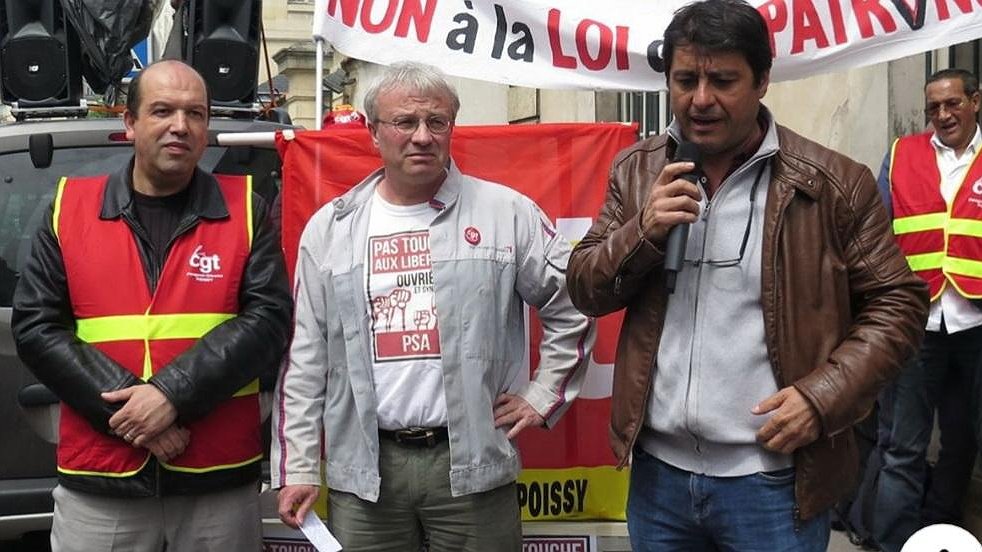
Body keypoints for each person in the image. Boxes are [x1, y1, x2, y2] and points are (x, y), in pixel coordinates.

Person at [565, 0, 929, 550]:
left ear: (762, 80)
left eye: (723, 80)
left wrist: (821, 396)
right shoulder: (638, 171)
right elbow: (586, 286)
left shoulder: (831, 183)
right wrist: (644, 230)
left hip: (774, 484)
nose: (701, 99)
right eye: (685, 79)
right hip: (658, 481)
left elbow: (898, 304)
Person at [271, 62, 594, 551]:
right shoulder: (331, 229)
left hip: (471, 467)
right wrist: (297, 465)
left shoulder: (505, 213)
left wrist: (542, 393)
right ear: (373, 132)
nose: (422, 136)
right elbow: (304, 358)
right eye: (405, 122)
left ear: (451, 129)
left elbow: (574, 299)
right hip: (365, 472)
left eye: (436, 122)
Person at [12, 60, 292, 551]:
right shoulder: (68, 206)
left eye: (195, 114)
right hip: (102, 480)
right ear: (130, 122)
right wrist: (138, 416)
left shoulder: (247, 208)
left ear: (207, 128)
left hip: (216, 480)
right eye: (162, 110)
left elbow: (269, 321)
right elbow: (36, 325)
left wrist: (170, 396)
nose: (180, 126)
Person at [871, 68, 982, 552]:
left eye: (952, 103)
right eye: (933, 106)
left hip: (978, 325)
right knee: (903, 446)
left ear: (975, 101)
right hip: (917, 326)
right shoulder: (901, 155)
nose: (942, 114)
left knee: (963, 440)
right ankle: (894, 541)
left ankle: (940, 529)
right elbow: (875, 238)